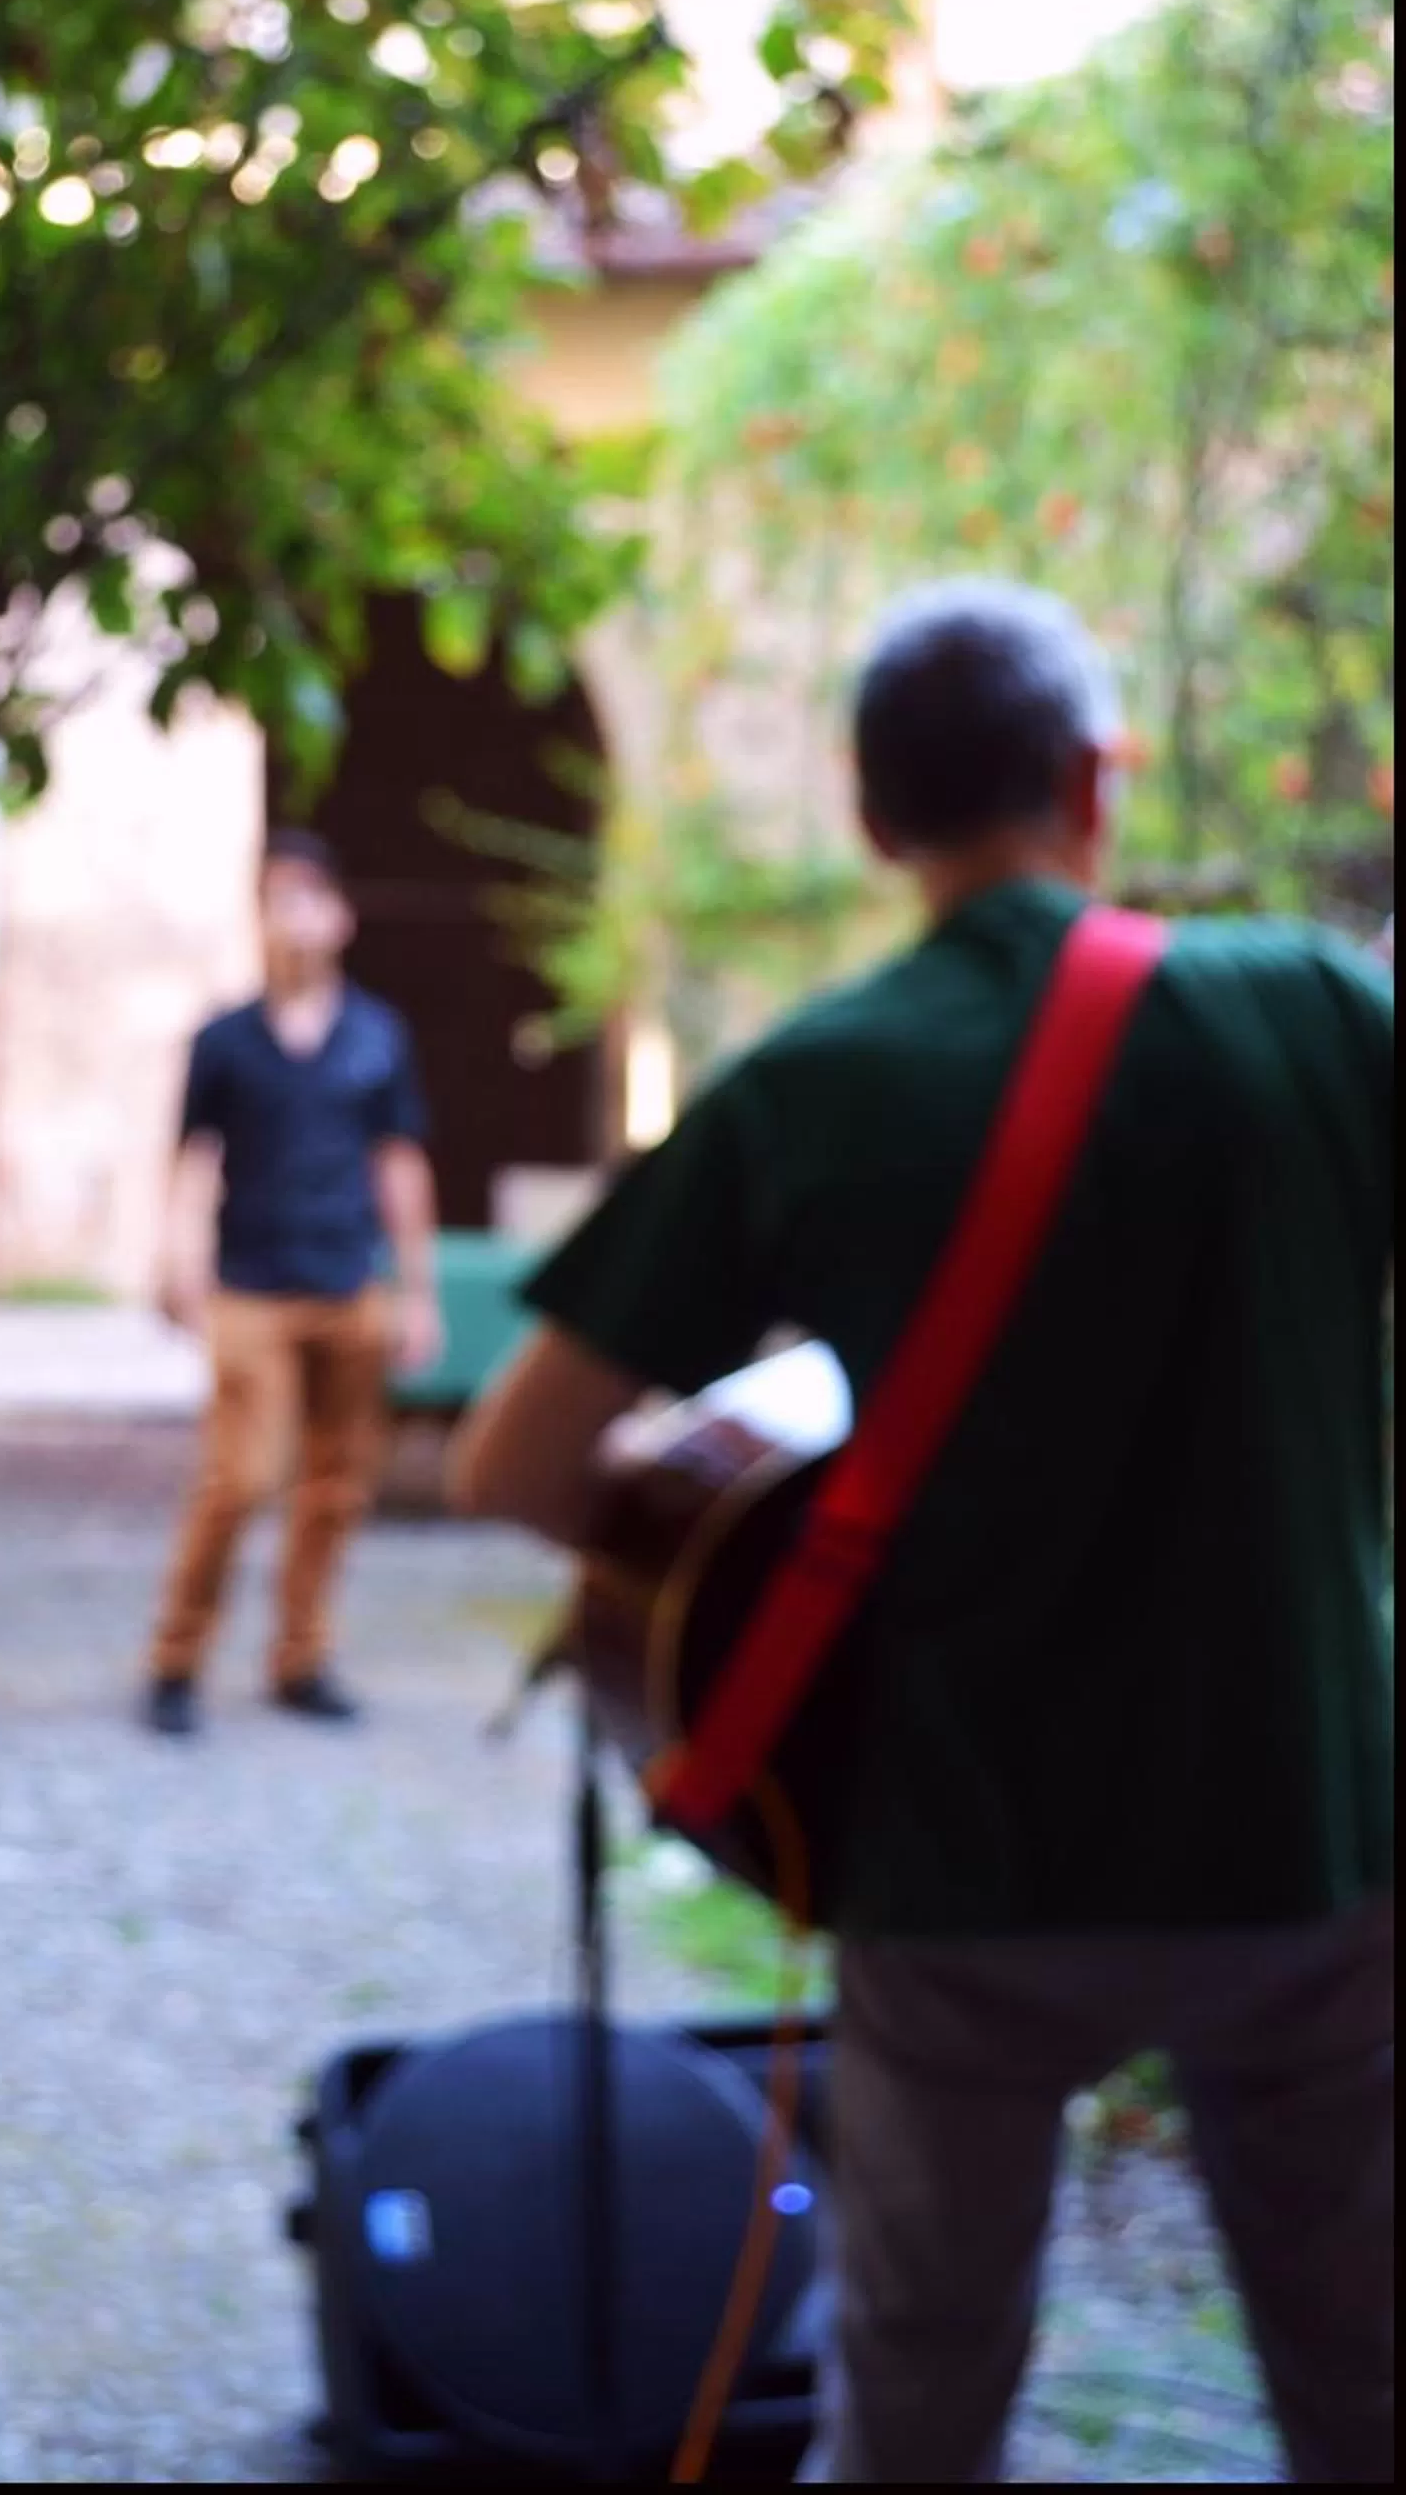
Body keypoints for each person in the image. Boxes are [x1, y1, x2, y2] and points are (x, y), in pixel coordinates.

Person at [448, 578, 1394, 2485]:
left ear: (875, 822)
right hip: (1305, 1837)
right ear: (1094, 782)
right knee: (1365, 2390)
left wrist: (744, 1532)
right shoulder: (1312, 1010)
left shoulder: (816, 1082)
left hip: (966, 1861)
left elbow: (513, 1466)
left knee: (917, 2408)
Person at [143, 829, 443, 1736]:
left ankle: (302, 1657)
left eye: (310, 897)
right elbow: (193, 1155)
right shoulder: (224, 1041)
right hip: (251, 1289)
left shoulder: (377, 1038)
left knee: (336, 1489)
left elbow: (400, 1162)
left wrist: (417, 1290)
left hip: (348, 1284)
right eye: (278, 899)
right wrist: (175, 1255)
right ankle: (176, 1660)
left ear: (341, 916)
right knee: (238, 1478)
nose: (295, 917)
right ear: (260, 918)